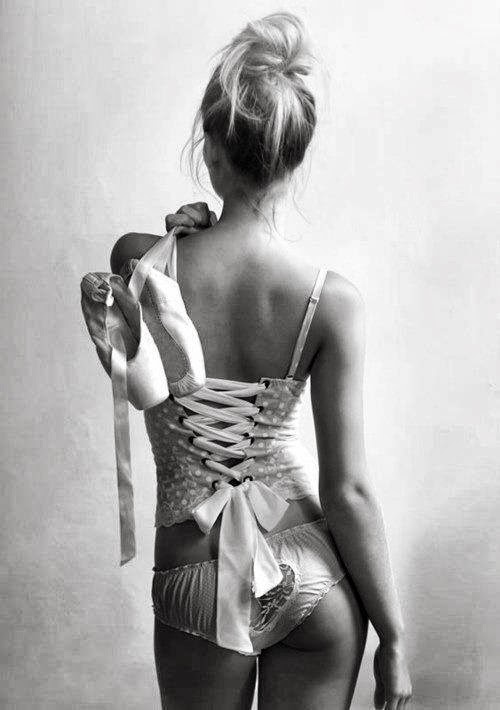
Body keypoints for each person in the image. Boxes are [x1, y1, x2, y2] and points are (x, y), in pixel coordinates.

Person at [110, 12, 412, 710]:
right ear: (294, 161)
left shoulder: (139, 263)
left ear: (210, 151)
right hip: (311, 573)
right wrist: (393, 637)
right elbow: (349, 491)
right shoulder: (331, 301)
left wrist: (177, 235)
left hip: (194, 578)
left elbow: (147, 283)